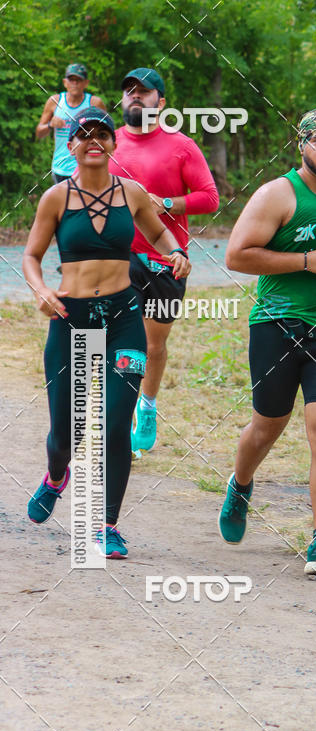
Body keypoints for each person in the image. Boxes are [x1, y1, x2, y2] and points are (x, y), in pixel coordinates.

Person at [219, 106, 316, 577]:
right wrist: (304, 262)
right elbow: (236, 255)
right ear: (302, 145)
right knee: (267, 425)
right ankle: (240, 484)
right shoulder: (277, 195)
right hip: (278, 325)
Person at [23, 108, 191, 558]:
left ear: (114, 144)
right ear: (71, 145)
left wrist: (175, 253)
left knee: (116, 424)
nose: (93, 140)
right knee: (67, 431)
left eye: (102, 133)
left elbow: (159, 232)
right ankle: (56, 475)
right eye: (84, 134)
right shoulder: (56, 198)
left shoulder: (131, 193)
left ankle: (107, 525)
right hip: (71, 316)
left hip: (122, 318)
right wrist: (41, 290)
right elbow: (32, 256)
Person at [108, 67, 219, 455]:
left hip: (166, 259)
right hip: (119, 258)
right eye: (129, 91)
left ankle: (148, 406)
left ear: (161, 102)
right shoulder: (107, 143)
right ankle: (117, 420)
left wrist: (168, 203)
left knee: (154, 345)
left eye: (144, 91)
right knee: (125, 341)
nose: (135, 96)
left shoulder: (181, 146)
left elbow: (209, 197)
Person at [36, 63, 106, 184]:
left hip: (86, 166)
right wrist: (50, 125)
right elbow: (39, 133)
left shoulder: (94, 103)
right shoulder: (55, 101)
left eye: (78, 80)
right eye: (71, 80)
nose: (75, 83)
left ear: (86, 83)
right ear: (65, 82)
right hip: (60, 168)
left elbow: (107, 135)